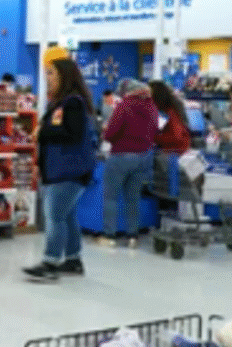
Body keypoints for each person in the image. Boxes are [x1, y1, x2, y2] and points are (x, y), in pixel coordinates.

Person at [22, 55, 97, 282]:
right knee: (68, 216)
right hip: (62, 169)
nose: (47, 78)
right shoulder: (62, 102)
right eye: (46, 73)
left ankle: (50, 262)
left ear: (65, 75)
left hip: (69, 171)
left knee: (54, 216)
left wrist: (42, 132)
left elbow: (72, 135)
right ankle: (73, 260)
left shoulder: (72, 103)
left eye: (51, 73)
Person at [100, 78, 158, 247]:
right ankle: (133, 236)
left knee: (111, 197)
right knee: (133, 198)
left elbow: (111, 133)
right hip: (144, 157)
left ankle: (109, 236)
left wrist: (106, 132)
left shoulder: (124, 105)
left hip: (121, 156)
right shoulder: (152, 107)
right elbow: (154, 130)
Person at [149, 80, 191, 154]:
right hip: (176, 147)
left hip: (174, 150)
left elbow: (176, 137)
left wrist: (153, 138)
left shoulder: (169, 112)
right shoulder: (171, 107)